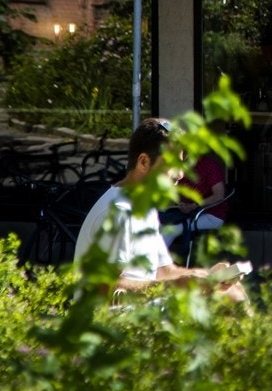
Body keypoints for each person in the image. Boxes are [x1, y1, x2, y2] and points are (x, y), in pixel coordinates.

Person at [74, 117, 245, 299]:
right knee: (230, 299)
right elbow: (105, 289)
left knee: (233, 291)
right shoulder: (119, 212)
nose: (180, 175)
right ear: (144, 162)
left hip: (142, 309)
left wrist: (206, 277)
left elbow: (165, 271)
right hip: (114, 321)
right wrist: (173, 287)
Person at [161, 150, 229, 260]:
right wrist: (180, 204)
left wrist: (194, 206)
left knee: (172, 229)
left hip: (212, 215)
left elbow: (219, 195)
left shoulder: (209, 165)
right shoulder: (180, 167)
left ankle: (155, 266)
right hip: (186, 213)